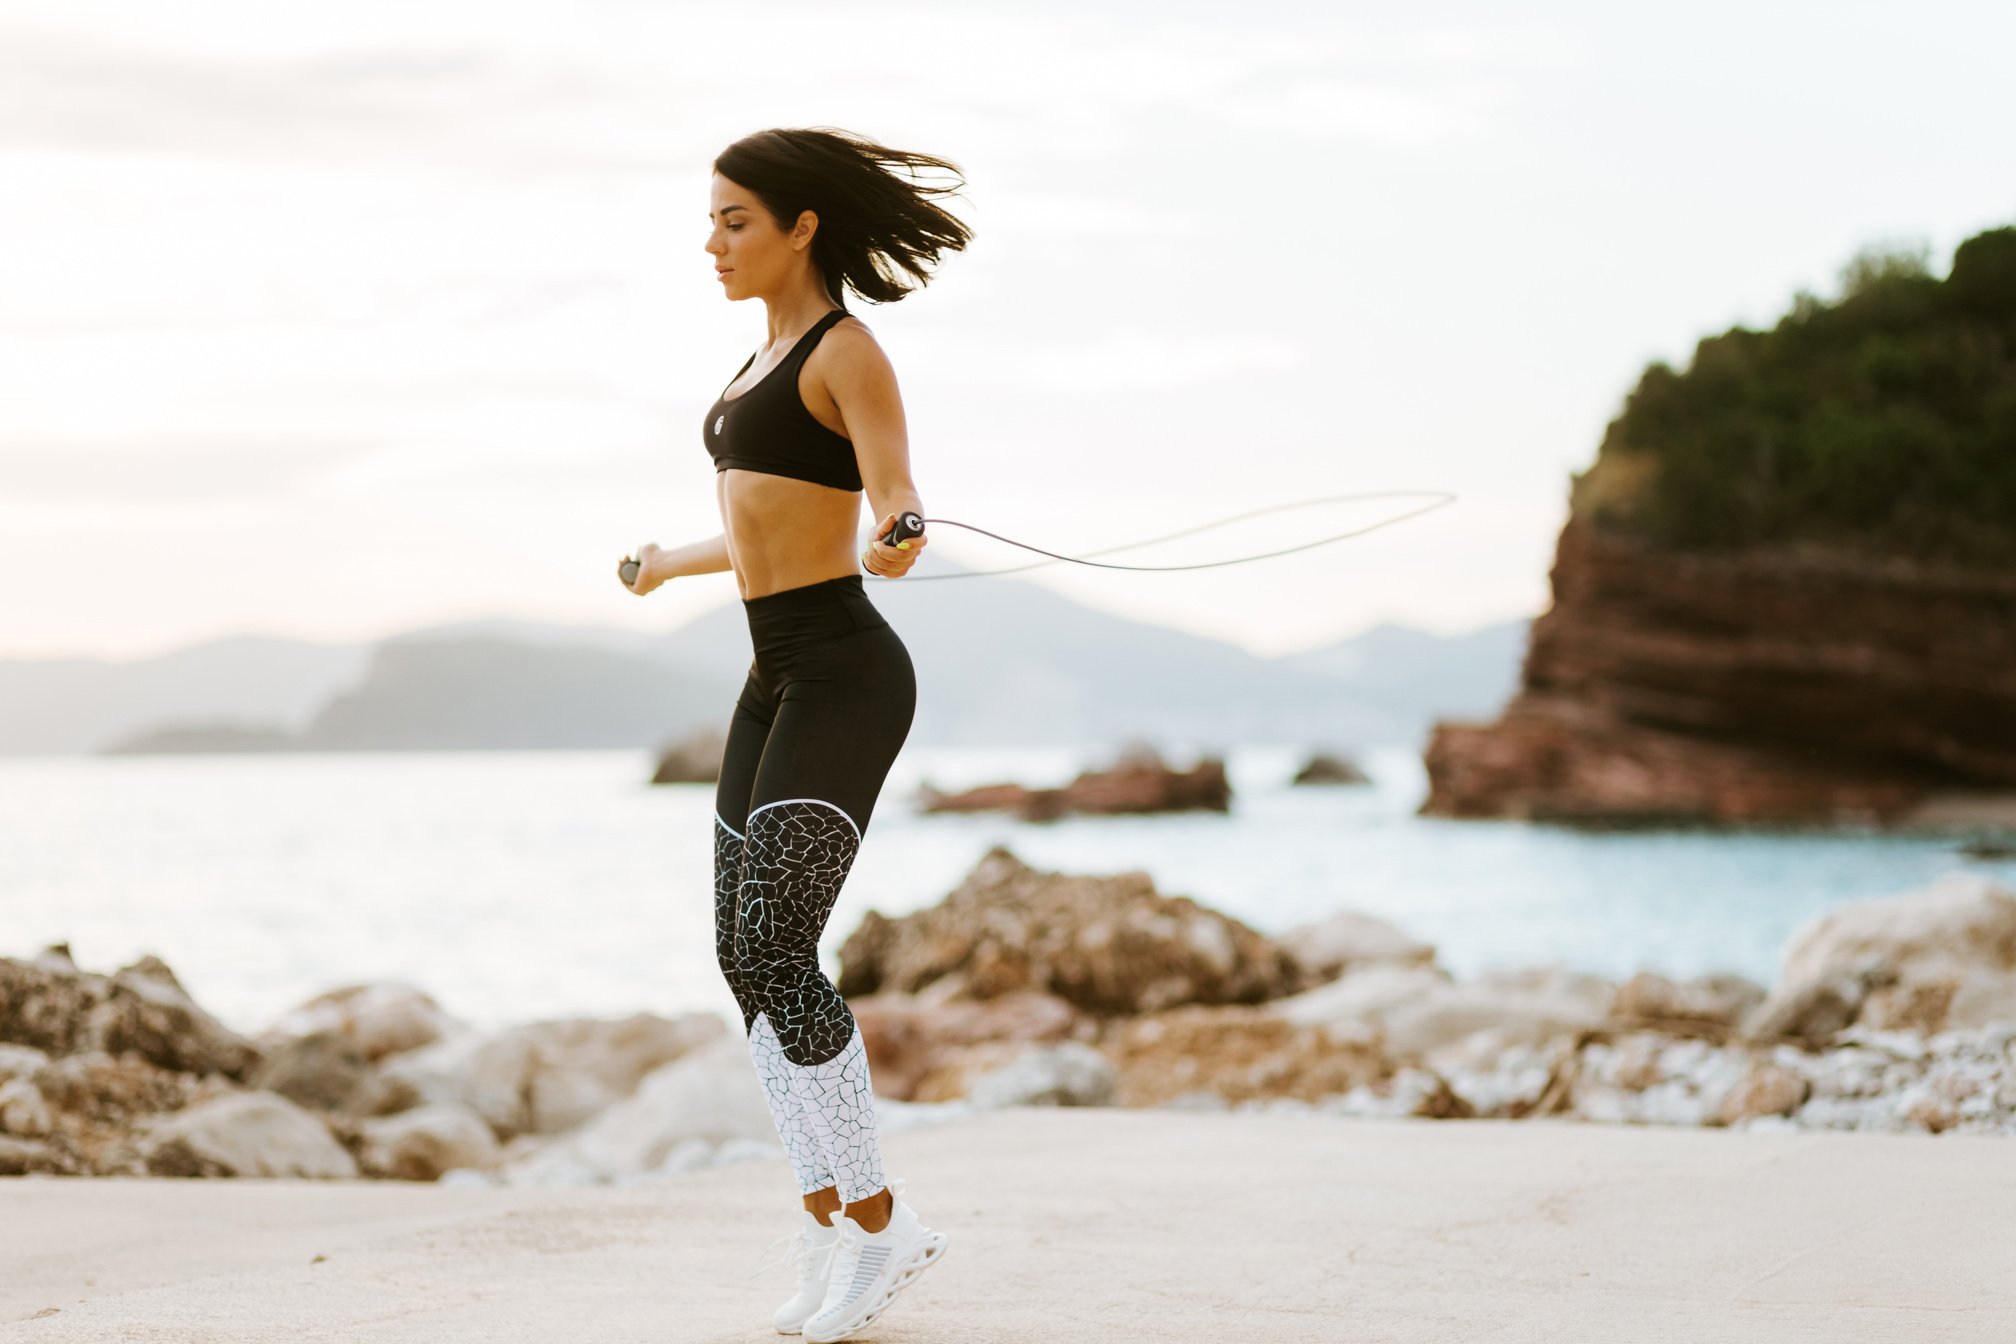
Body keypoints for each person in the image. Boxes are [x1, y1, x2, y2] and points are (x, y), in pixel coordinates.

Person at [617, 125, 970, 1343]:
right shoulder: (755, 358)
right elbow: (770, 522)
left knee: (780, 943)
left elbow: (889, 497)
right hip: (771, 674)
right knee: (741, 956)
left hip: (846, 674)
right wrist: (672, 560)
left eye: (735, 221)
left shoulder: (847, 352)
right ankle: (828, 1221)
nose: (712, 242)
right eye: (711, 220)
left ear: (800, 227)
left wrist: (904, 531)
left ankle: (882, 1227)